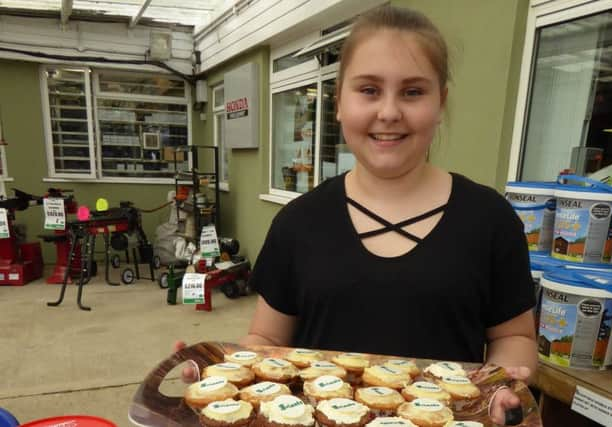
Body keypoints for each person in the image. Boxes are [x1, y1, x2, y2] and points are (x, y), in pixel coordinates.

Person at [176, 5, 537, 425]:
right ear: (339, 103)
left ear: (441, 103)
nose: (388, 112)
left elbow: (514, 337)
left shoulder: (490, 220)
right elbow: (269, 339)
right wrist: (221, 372)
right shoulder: (299, 222)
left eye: (413, 92)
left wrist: (499, 387)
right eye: (368, 90)